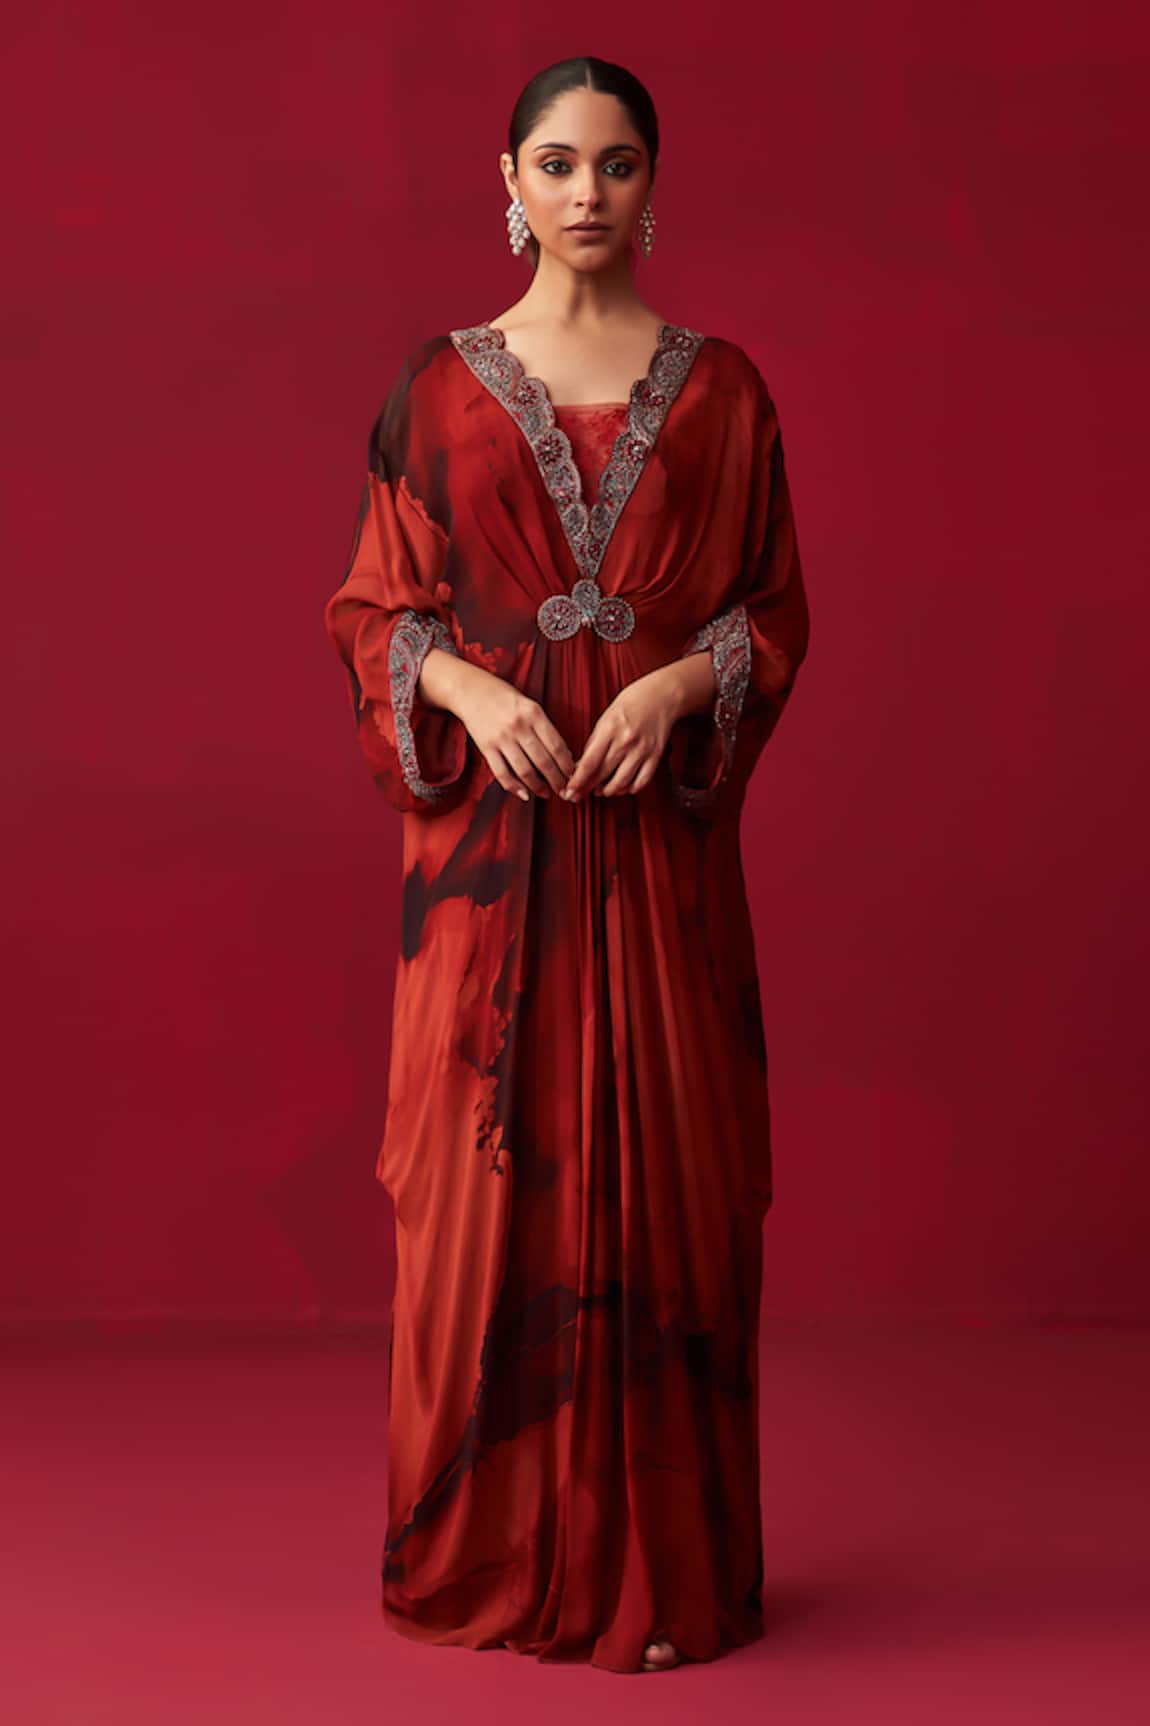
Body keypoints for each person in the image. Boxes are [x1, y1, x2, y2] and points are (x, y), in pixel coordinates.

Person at [324, 54, 811, 1676]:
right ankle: (490, 1554)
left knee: (678, 1184)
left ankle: (659, 1572)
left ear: (652, 183)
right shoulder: (434, 389)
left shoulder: (725, 393)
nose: (585, 192)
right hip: (487, 872)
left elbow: (770, 609)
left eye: (614, 163)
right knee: (478, 1189)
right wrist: (467, 691)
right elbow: (373, 610)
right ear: (509, 182)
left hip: (656, 870)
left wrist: (677, 688)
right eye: (556, 162)